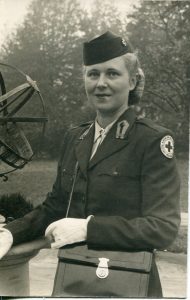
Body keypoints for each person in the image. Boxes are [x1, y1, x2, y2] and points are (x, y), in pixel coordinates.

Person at [0, 31, 180, 297]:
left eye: (112, 74)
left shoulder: (152, 140)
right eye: (93, 74)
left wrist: (88, 228)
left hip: (128, 283)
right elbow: (56, 205)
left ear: (132, 81)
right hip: (74, 279)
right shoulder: (75, 137)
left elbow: (162, 227)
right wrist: (11, 233)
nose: (101, 83)